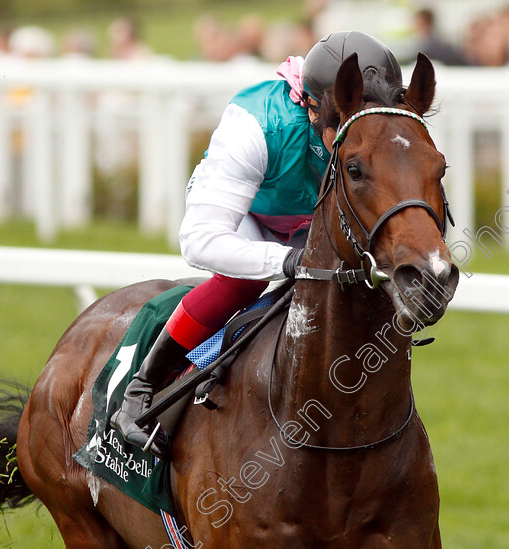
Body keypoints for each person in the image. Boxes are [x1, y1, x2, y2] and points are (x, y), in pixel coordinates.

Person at [111, 31, 404, 457]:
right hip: (247, 215)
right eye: (341, 122)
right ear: (311, 105)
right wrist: (285, 261)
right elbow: (199, 241)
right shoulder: (256, 122)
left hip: (311, 219)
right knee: (242, 283)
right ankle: (142, 388)